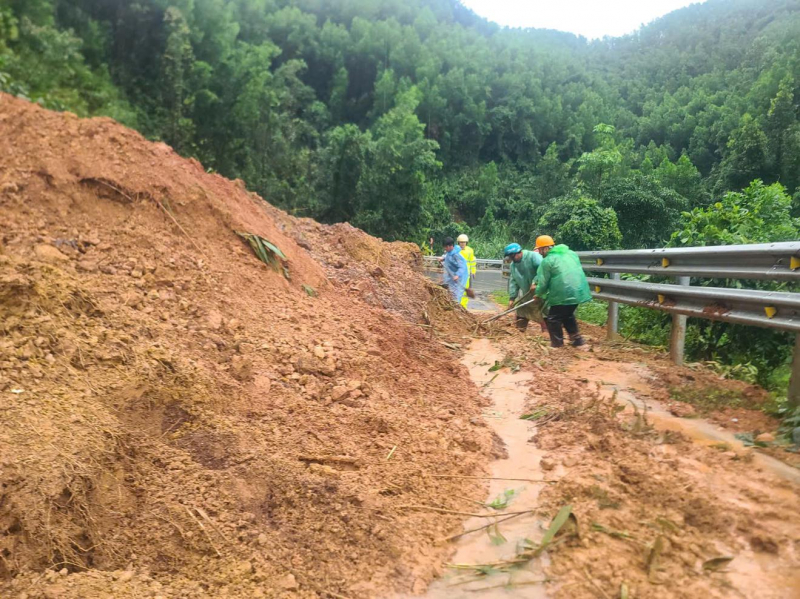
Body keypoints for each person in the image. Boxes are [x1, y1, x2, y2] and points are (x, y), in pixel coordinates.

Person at [533, 235, 591, 348]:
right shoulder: (571, 253)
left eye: (540, 250)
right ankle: (577, 340)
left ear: (545, 248)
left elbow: (543, 283)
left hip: (563, 293)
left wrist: (538, 294)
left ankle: (557, 345)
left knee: (553, 318)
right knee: (567, 314)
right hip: (579, 291)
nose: (540, 253)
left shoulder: (547, 261)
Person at [503, 242, 545, 332]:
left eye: (512, 257)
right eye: (510, 258)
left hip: (541, 292)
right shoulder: (513, 266)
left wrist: (536, 282)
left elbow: (543, 270)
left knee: (544, 313)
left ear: (518, 252)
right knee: (521, 311)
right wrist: (511, 299)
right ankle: (520, 331)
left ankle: (547, 333)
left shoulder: (533, 257)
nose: (512, 259)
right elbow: (513, 282)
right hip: (528, 293)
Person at [442, 237, 469, 305]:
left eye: (445, 247)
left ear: (450, 246)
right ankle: (451, 305)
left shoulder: (457, 255)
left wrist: (457, 275)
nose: (444, 248)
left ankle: (456, 307)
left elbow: (462, 266)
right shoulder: (450, 252)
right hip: (452, 275)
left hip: (460, 276)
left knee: (457, 293)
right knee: (450, 290)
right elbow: (448, 257)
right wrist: (443, 258)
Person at [457, 234, 476, 308]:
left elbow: (472, 261)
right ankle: (457, 305)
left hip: (466, 275)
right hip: (458, 274)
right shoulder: (456, 250)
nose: (462, 244)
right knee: (458, 290)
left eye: (464, 242)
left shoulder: (470, 250)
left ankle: (464, 307)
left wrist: (473, 271)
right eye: (461, 242)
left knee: (465, 291)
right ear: (458, 243)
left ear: (466, 243)